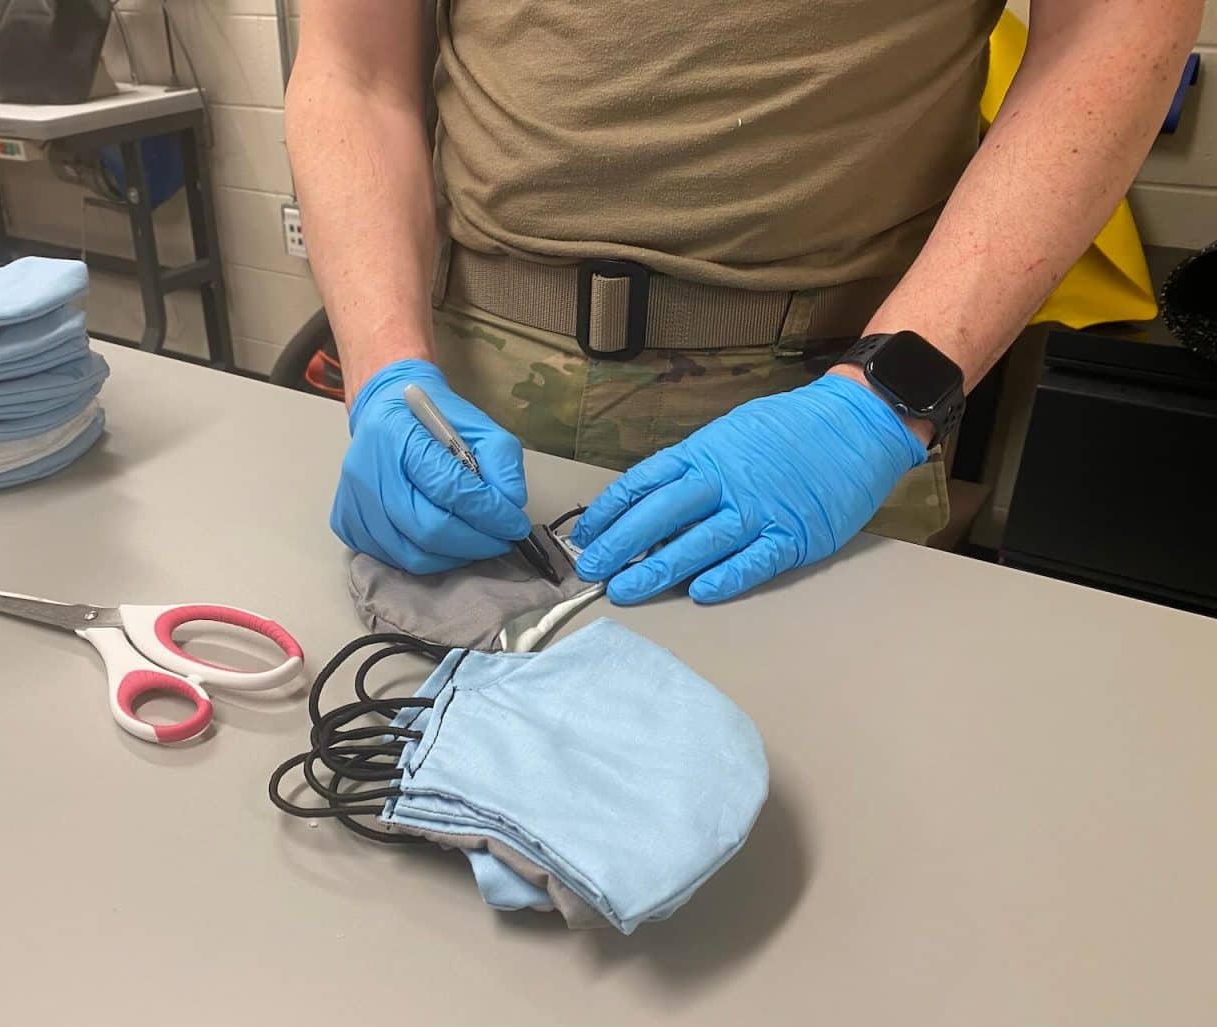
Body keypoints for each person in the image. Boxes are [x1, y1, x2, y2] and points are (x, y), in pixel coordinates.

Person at [287, 0, 1201, 605]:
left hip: (823, 398)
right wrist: (385, 369)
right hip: (471, 388)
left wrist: (882, 402)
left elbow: (1113, 36)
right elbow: (352, 70)